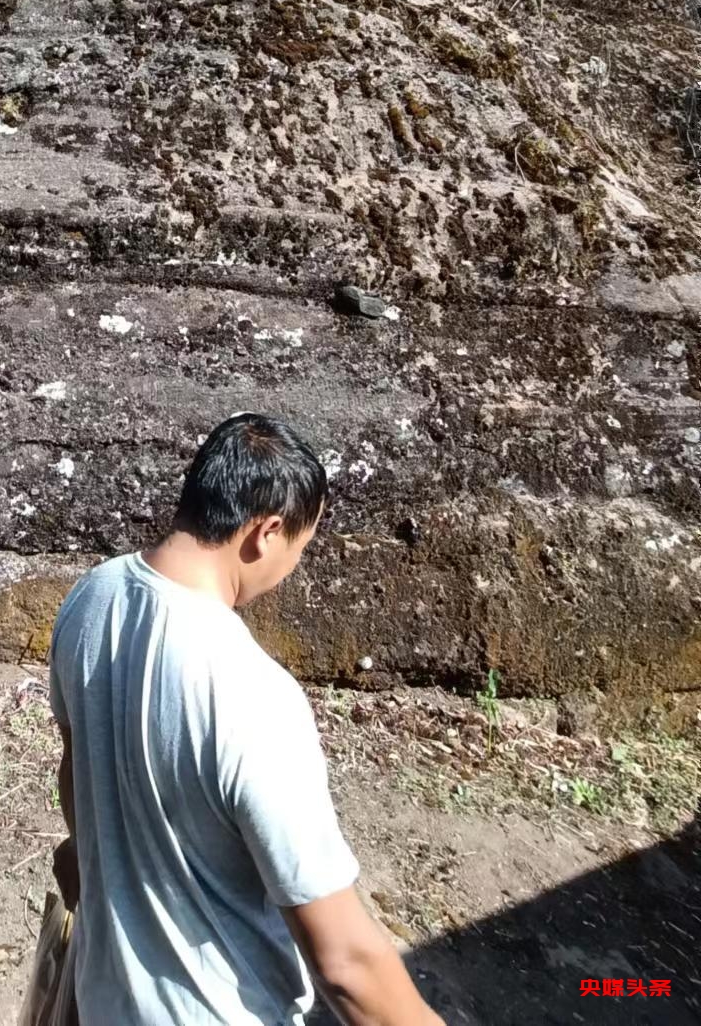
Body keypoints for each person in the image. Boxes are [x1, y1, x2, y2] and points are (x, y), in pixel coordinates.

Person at [48, 412, 447, 1026]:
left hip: (106, 1000)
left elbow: (75, 767)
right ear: (266, 533)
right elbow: (344, 963)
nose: (292, 569)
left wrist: (90, 858)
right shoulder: (254, 695)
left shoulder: (90, 597)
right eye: (300, 548)